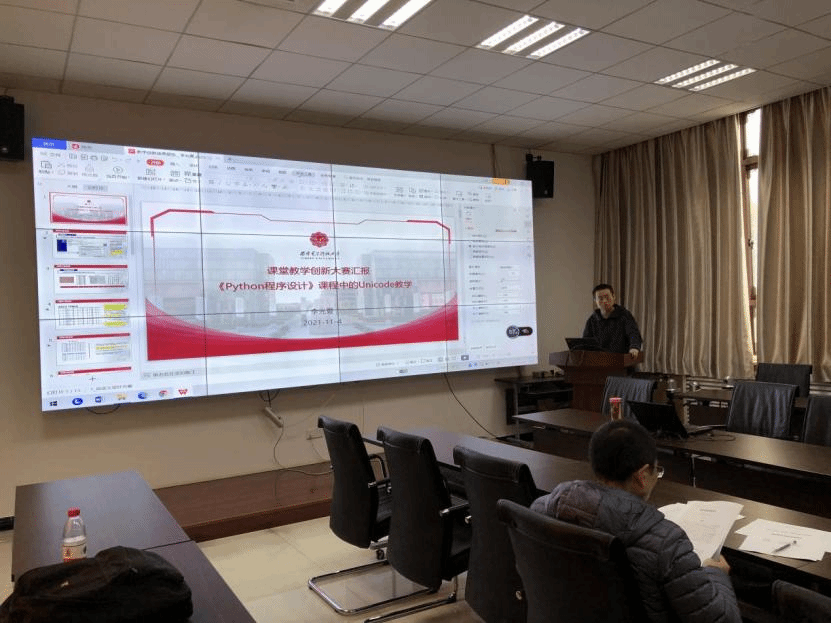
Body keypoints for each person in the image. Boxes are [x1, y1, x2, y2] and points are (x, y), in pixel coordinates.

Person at [531, 419, 741, 623]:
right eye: (657, 470)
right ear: (642, 476)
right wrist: (717, 574)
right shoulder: (668, 544)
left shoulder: (541, 510)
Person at [583, 283, 642, 356]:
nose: (604, 301)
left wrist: (634, 347)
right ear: (595, 301)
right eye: (600, 298)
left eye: (607, 297)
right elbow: (586, 342)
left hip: (620, 359)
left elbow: (633, 334)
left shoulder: (624, 315)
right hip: (599, 359)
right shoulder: (592, 320)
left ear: (614, 297)